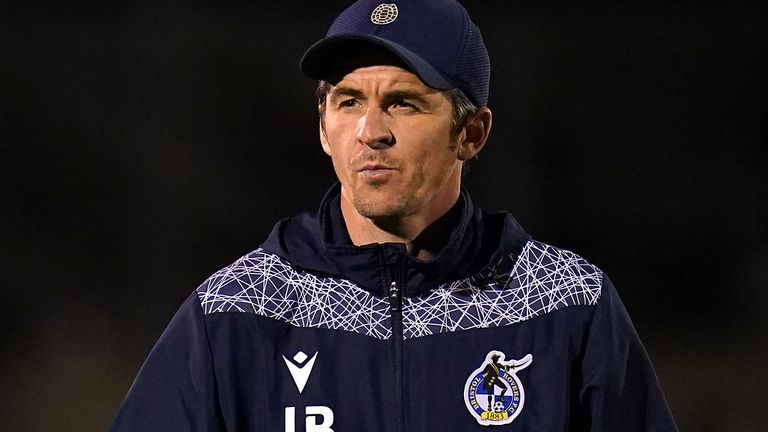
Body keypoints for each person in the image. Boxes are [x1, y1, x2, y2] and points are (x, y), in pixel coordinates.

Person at [109, 0, 678, 430]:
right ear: (323, 127)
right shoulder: (237, 313)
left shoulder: (566, 305)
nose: (370, 132)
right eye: (349, 101)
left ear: (471, 133)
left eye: (403, 103)